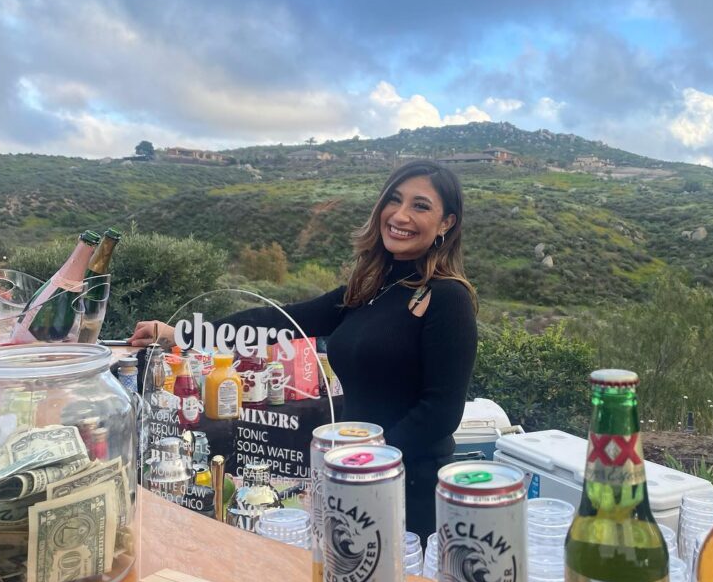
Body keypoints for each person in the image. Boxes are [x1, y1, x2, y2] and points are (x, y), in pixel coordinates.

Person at [130, 160, 478, 541]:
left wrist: (363, 465)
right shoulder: (370, 289)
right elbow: (280, 321)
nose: (401, 215)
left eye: (420, 206)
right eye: (394, 200)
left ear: (447, 223)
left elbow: (440, 413)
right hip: (355, 480)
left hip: (408, 491)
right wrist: (180, 333)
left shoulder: (448, 298)